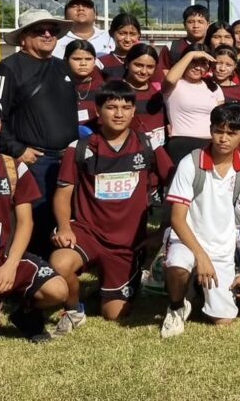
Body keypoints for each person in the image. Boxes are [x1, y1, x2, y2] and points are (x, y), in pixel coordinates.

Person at [49, 81, 168, 334]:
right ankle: (74, 310)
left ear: (134, 111)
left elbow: (178, 188)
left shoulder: (148, 146)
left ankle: (111, 286)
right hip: (87, 232)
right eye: (111, 107)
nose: (119, 113)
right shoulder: (80, 148)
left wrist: (162, 232)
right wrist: (63, 226)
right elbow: (63, 192)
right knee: (60, 263)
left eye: (126, 107)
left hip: (127, 243)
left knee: (113, 315)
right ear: (98, 111)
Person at [160, 103, 240, 338]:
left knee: (223, 319)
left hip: (221, 249)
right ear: (211, 130)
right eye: (218, 131)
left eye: (231, 133)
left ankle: (195, 289)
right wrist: (201, 257)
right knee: (177, 265)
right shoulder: (190, 163)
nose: (223, 138)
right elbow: (177, 218)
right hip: (186, 240)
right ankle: (176, 307)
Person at [0, 9, 81, 253]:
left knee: (63, 220)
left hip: (67, 160)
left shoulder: (63, 67)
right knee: (35, 222)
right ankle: (29, 279)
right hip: (34, 161)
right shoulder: (6, 69)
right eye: (39, 30)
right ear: (23, 37)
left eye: (52, 30)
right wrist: (18, 150)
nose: (47, 34)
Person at [0, 122, 68, 343]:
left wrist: (10, 265)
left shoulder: (12, 167)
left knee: (57, 290)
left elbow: (26, 222)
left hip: (4, 258)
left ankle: (24, 311)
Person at [161, 44, 225, 164]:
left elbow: (221, 118)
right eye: (194, 62)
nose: (198, 68)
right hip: (182, 144)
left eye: (203, 63)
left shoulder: (214, 87)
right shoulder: (174, 85)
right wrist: (191, 54)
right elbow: (169, 79)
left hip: (211, 144)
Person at [121, 43, 167, 150]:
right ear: (127, 63)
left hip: (159, 151)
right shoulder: (117, 91)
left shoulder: (158, 91)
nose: (144, 71)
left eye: (150, 67)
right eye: (138, 65)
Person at [65, 39, 103, 131]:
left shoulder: (103, 88)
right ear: (66, 60)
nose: (83, 63)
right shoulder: (58, 85)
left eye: (88, 59)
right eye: (77, 59)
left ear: (94, 61)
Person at [96, 12, 146, 81]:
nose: (127, 39)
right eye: (122, 33)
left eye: (132, 34)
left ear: (139, 35)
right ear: (111, 33)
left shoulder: (147, 61)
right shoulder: (100, 63)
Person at [158, 4, 209, 70]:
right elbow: (161, 73)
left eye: (200, 22)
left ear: (208, 25)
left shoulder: (211, 47)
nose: (196, 26)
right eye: (191, 22)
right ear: (184, 25)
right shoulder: (171, 48)